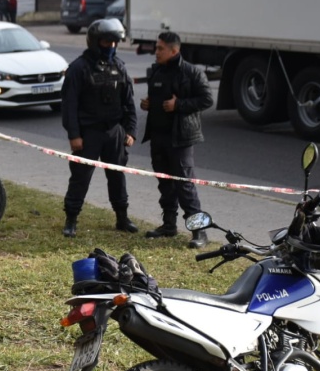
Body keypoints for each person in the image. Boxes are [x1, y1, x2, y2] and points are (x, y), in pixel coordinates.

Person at [61, 19, 138, 238]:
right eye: (107, 42)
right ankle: (71, 219)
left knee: (117, 176)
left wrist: (130, 131)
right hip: (88, 133)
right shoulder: (78, 68)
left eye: (115, 42)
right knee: (80, 177)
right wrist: (74, 135)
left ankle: (122, 218)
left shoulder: (119, 67)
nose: (111, 47)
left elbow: (128, 102)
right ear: (95, 41)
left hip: (114, 131)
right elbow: (69, 105)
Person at [139, 31, 214, 248]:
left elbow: (206, 99)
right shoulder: (156, 71)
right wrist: (149, 104)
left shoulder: (191, 72)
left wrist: (179, 105)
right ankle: (168, 225)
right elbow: (157, 97)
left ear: (174, 50)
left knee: (184, 185)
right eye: (156, 47)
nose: (156, 52)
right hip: (158, 137)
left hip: (180, 138)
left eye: (160, 48)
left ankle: (199, 232)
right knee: (165, 183)